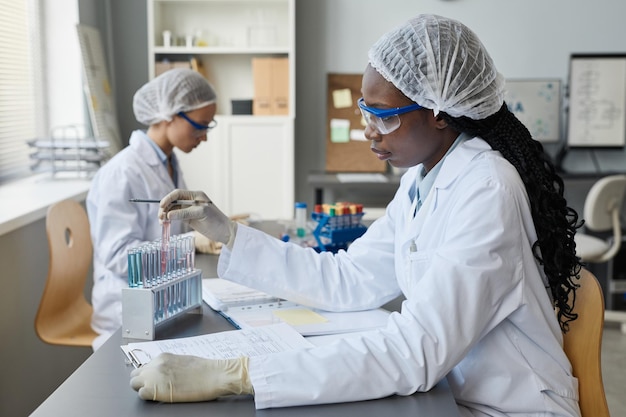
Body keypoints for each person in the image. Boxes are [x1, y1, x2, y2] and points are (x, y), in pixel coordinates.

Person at [130, 14, 584, 416]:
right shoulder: (421, 181)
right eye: (365, 110)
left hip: (506, 405)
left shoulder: (488, 189)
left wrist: (241, 375)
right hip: (450, 393)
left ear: (441, 113)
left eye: (384, 116)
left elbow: (417, 349)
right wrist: (231, 235)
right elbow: (350, 278)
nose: (368, 130)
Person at [86, 68, 218, 350]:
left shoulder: (168, 161)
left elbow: (171, 225)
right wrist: (186, 246)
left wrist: (199, 234)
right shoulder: (121, 173)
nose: (204, 136)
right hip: (126, 311)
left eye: (208, 125)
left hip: (165, 298)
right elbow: (119, 256)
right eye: (200, 125)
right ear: (170, 114)